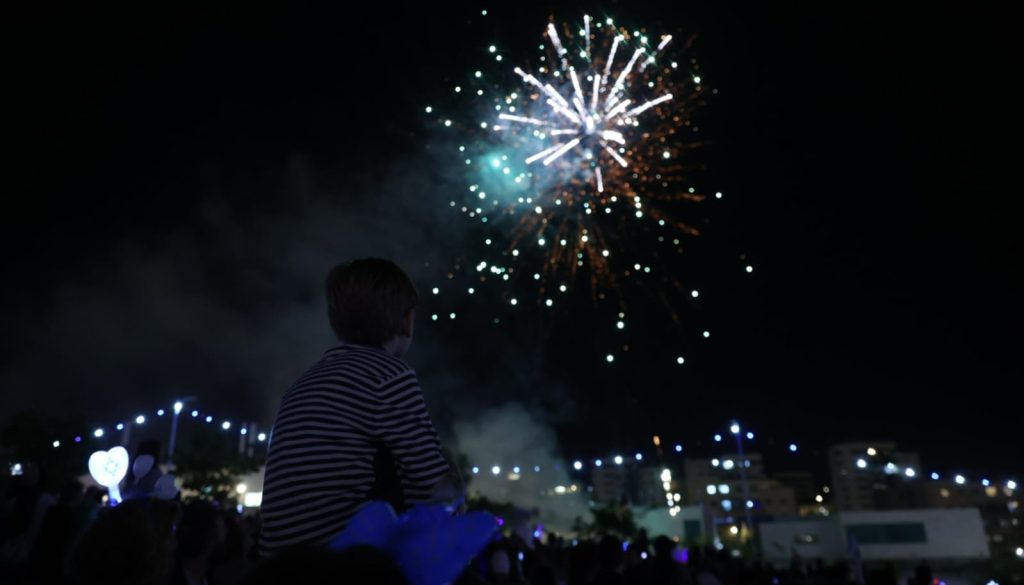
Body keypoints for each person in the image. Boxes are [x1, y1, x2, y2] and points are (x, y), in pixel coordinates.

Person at [258, 259, 451, 557]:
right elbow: (433, 485)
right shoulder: (389, 375)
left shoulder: (302, 383)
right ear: (406, 321)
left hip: (278, 562)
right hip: (342, 562)